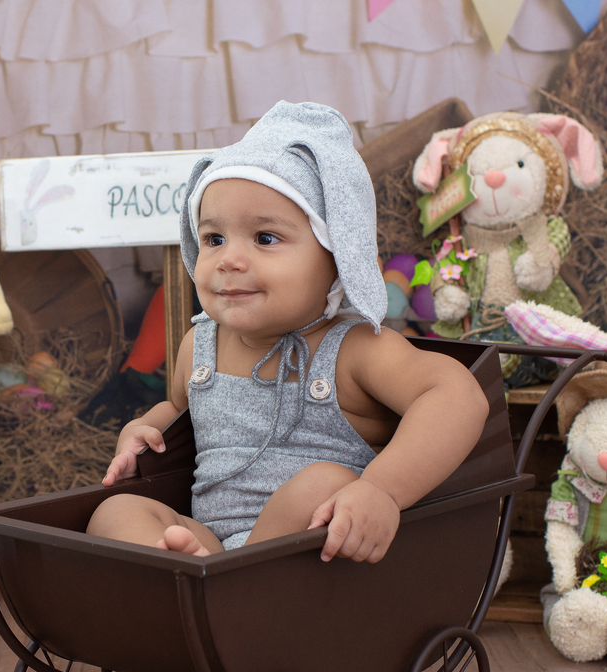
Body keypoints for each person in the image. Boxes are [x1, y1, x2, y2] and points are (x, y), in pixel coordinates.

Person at [86, 101, 489, 563]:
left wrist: (382, 490)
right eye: (214, 239)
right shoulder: (198, 347)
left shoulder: (354, 350)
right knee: (117, 510)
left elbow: (458, 395)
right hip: (211, 540)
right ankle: (194, 581)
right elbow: (180, 410)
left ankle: (228, 591)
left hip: (313, 558)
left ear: (336, 255)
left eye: (265, 238)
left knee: (323, 482)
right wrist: (146, 428)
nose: (229, 259)